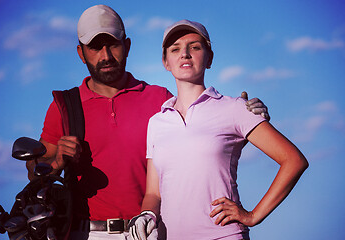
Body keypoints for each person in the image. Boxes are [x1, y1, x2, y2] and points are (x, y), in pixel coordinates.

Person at [25, 5, 269, 240]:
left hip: (150, 231)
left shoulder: (159, 99)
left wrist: (244, 120)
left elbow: (203, 138)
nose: (106, 55)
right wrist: (56, 162)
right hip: (87, 233)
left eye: (112, 44)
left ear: (127, 46)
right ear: (81, 53)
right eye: (95, 47)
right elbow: (35, 172)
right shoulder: (65, 106)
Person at [129, 20, 308, 240]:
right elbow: (153, 193)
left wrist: (253, 216)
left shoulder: (235, 108)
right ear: (166, 62)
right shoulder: (157, 122)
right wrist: (147, 215)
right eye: (175, 49)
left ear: (209, 58)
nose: (184, 53)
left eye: (194, 47)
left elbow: (294, 160)